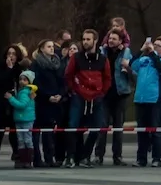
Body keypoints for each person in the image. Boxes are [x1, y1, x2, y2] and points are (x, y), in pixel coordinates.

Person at [67, 29, 110, 167]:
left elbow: (107, 78)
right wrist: (74, 90)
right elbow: (68, 75)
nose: (85, 42)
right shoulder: (76, 57)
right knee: (73, 126)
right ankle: (71, 157)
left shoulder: (103, 59)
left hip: (96, 97)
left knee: (97, 127)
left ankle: (86, 155)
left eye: (88, 39)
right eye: (83, 39)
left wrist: (102, 93)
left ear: (95, 41)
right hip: (79, 96)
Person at [130, 38, 161, 167]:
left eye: (158, 46)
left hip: (155, 99)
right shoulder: (143, 60)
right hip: (140, 98)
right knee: (142, 131)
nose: (154, 47)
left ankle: (157, 158)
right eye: (154, 45)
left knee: (156, 130)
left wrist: (152, 54)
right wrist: (141, 51)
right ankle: (141, 158)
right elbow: (132, 64)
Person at [31, 39, 68, 168]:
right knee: (37, 131)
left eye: (52, 46)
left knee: (50, 132)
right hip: (41, 101)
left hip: (56, 101)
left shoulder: (58, 64)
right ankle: (37, 158)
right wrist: (47, 96)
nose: (52, 49)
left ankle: (49, 157)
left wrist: (60, 94)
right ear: (41, 49)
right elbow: (35, 83)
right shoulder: (36, 64)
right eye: (48, 46)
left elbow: (62, 81)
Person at [7, 69, 37, 166]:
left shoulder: (25, 92)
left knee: (26, 140)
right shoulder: (23, 91)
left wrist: (11, 98)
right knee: (21, 140)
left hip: (26, 119)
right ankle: (24, 160)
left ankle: (27, 160)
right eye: (21, 79)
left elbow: (22, 105)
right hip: (20, 119)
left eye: (25, 80)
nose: (22, 81)